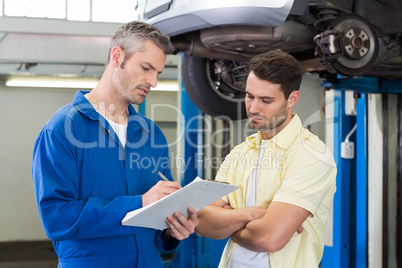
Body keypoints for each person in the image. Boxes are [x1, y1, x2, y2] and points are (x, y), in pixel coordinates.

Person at [32, 21, 198, 268]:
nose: (153, 82)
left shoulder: (151, 134)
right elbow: (57, 218)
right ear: (117, 56)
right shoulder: (62, 130)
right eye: (146, 68)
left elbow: (157, 221)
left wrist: (172, 231)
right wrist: (139, 204)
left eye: (158, 73)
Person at [195, 50, 337, 268]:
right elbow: (201, 219)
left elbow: (268, 238)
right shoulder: (241, 152)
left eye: (266, 100)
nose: (253, 108)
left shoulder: (311, 155)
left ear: (292, 99)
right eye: (250, 96)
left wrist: (229, 219)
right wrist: (252, 214)